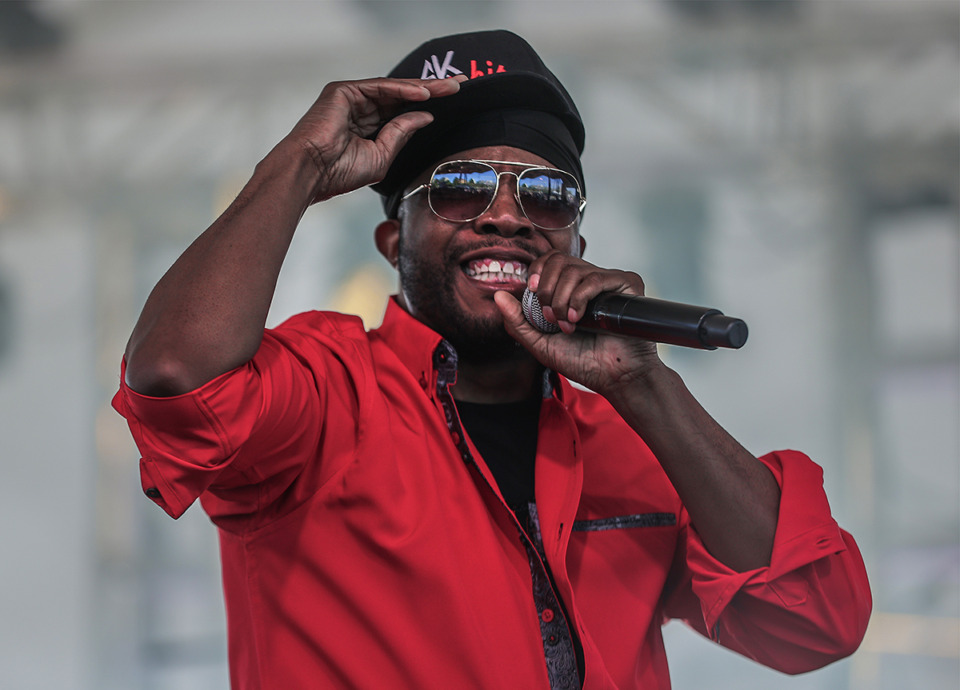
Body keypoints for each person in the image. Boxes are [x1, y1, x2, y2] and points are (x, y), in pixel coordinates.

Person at [113, 30, 871, 690]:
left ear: (575, 243)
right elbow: (177, 376)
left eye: (545, 194)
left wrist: (646, 385)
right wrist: (302, 161)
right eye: (461, 187)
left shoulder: (636, 434)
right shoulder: (323, 393)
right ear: (392, 242)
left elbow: (816, 622)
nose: (506, 215)